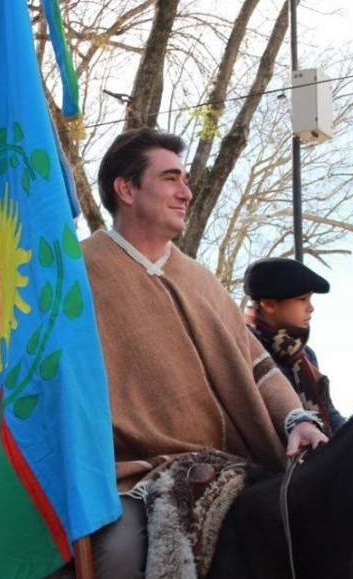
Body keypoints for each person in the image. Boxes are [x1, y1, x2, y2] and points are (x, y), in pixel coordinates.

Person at [48, 128, 327, 579]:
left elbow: (257, 368)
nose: (186, 192)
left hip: (234, 467)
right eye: (171, 179)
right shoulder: (75, 276)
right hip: (130, 475)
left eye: (186, 180)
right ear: (126, 189)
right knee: (116, 552)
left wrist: (297, 420)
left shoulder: (201, 279)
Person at [243, 257, 346, 436]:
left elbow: (328, 413)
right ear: (268, 304)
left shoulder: (305, 354)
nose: (310, 308)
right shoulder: (244, 345)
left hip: (315, 450)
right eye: (302, 299)